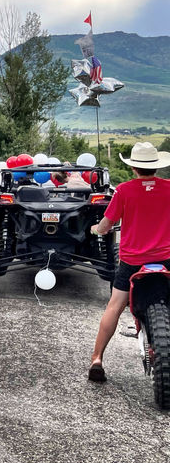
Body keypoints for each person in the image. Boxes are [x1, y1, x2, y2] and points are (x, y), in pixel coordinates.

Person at [88, 141, 170, 382]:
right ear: (156, 167)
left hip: (132, 262)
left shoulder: (123, 191)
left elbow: (106, 226)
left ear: (134, 168)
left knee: (114, 306)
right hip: (166, 259)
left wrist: (95, 230)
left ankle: (97, 359)